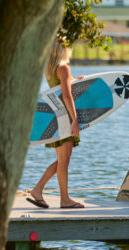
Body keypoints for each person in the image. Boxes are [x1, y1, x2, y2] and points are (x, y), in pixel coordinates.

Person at [27, 41, 85, 209]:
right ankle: (65, 200)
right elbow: (66, 96)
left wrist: (76, 81)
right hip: (65, 119)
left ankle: (38, 190)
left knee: (61, 160)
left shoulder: (51, 69)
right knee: (64, 161)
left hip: (56, 118)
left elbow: (59, 90)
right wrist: (75, 119)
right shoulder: (63, 67)